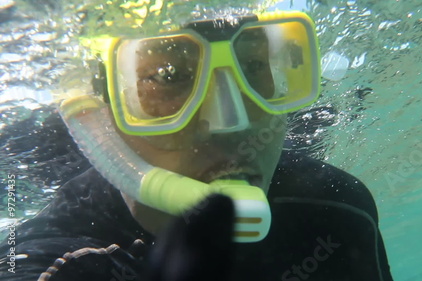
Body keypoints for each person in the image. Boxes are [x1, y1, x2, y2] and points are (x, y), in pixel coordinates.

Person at [0, 9, 393, 281]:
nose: (231, 123)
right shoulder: (62, 257)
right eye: (170, 76)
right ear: (99, 119)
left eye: (255, 66)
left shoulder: (335, 213)